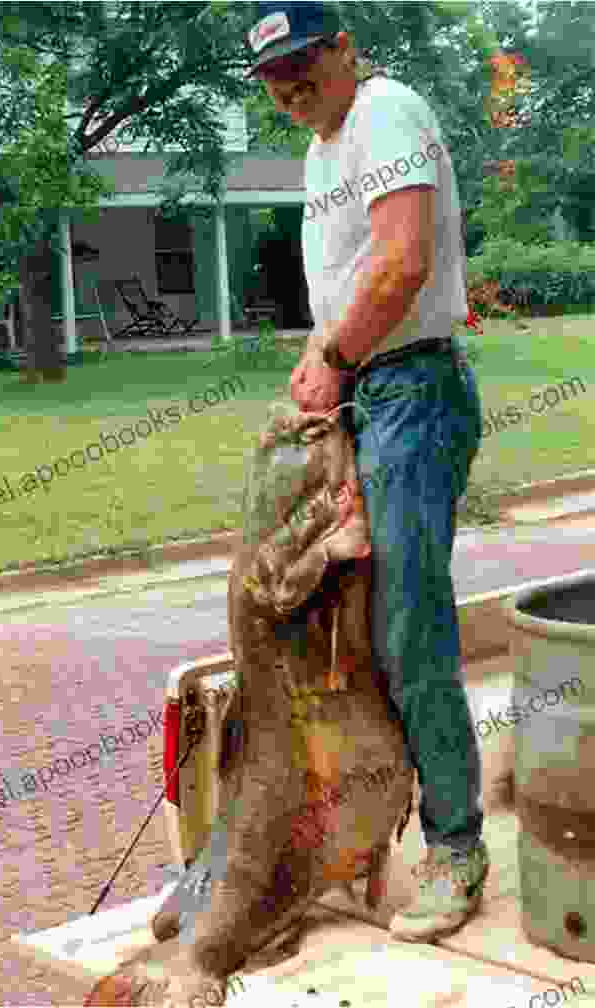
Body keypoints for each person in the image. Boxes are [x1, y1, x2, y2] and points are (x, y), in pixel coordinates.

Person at [245, 1, 489, 942]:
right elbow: (352, 281)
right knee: (348, 621)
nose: (293, 87)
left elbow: (401, 261)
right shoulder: (323, 150)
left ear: (347, 49)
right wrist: (321, 375)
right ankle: (357, 844)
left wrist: (336, 360)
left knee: (406, 625)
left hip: (411, 391)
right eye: (274, 77)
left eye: (307, 63)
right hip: (367, 393)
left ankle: (457, 847)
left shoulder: (384, 110)